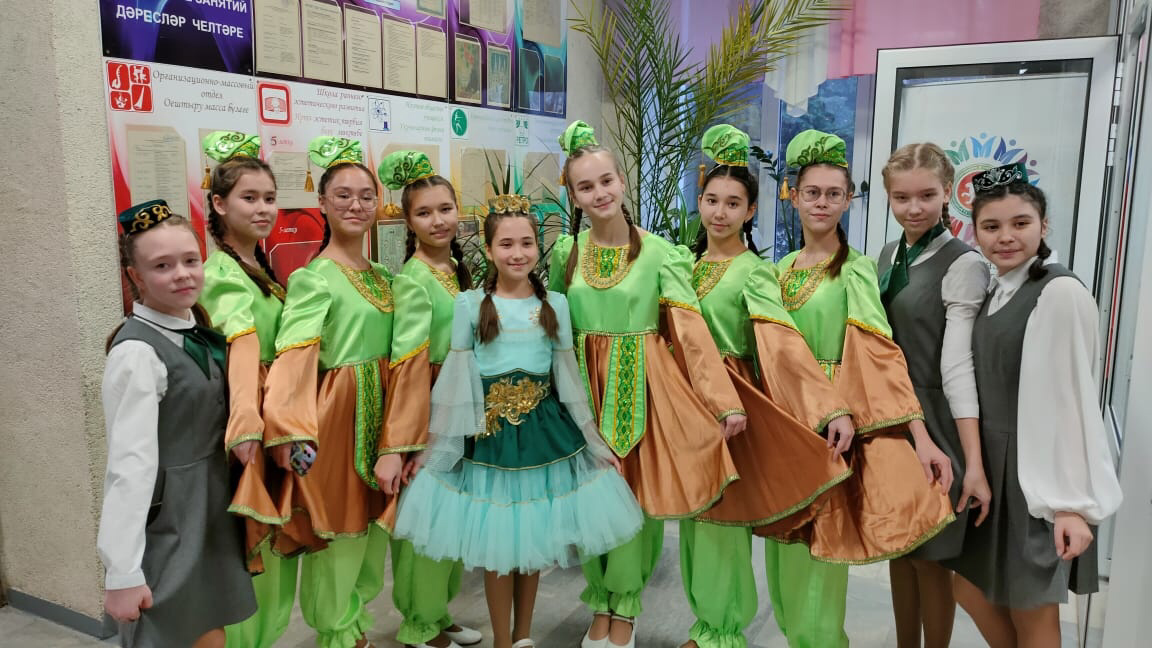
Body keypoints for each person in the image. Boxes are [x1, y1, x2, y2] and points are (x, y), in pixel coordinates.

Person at [393, 199, 644, 648]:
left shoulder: (556, 305)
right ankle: (502, 641)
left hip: (543, 437)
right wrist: (436, 448)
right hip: (490, 441)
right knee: (499, 549)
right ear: (489, 250)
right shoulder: (471, 305)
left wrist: (593, 441)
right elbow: (456, 381)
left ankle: (524, 635)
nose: (517, 253)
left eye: (527, 243)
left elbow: (569, 380)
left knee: (532, 543)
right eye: (506, 244)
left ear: (538, 247)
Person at [549, 120, 745, 648]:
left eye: (606, 180)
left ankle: (625, 606)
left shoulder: (661, 253)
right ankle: (600, 600)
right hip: (583, 389)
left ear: (622, 181)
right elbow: (553, 325)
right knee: (590, 495)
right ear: (573, 195)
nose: (599, 193)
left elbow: (690, 330)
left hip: (645, 388)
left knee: (635, 497)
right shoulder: (566, 252)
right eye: (586, 186)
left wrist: (722, 400)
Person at [761, 129, 955, 648]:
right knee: (784, 555)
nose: (821, 203)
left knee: (823, 556)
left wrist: (919, 435)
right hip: (785, 422)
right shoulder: (777, 271)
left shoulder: (857, 269)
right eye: (812, 192)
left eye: (834, 193)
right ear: (793, 196)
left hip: (833, 427)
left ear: (849, 200)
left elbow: (879, 352)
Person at [680, 124, 856, 648]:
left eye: (734, 203)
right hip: (689, 404)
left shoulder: (756, 272)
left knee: (724, 516)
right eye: (712, 200)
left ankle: (724, 632)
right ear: (699, 201)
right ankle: (705, 626)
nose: (720, 212)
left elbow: (780, 343)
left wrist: (828, 406)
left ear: (752, 210)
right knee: (696, 515)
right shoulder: (686, 266)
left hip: (733, 406)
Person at [948, 164, 1122, 647]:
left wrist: (1069, 506)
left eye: (1020, 223)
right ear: (974, 231)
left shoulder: (1058, 292)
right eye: (991, 226)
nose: (1006, 236)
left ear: (1044, 226)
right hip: (996, 466)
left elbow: (1069, 404)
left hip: (1037, 475)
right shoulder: (1000, 288)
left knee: (1032, 611)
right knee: (971, 588)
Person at [100, 200, 256, 647]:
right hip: (169, 523)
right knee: (165, 633)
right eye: (162, 266)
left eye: (190, 260)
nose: (183, 274)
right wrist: (123, 572)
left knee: (210, 632)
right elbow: (129, 468)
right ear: (135, 276)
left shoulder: (194, 331)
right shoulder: (137, 353)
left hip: (210, 509)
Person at [262, 137, 392, 648]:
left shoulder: (383, 276)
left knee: (372, 531)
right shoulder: (313, 279)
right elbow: (294, 360)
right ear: (322, 202)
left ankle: (354, 625)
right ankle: (336, 632)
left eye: (366, 195)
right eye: (343, 195)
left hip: (382, 417)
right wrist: (289, 430)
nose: (356, 205)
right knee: (339, 528)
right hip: (336, 419)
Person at [876, 142, 992, 648]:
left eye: (926, 195)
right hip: (893, 416)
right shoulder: (888, 254)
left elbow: (960, 365)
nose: (914, 208)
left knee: (932, 557)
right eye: (901, 198)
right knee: (900, 549)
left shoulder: (964, 263)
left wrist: (970, 457)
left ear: (948, 192)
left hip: (939, 417)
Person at [373, 150, 481, 648]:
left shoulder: (455, 268)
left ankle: (437, 612)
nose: (438, 221)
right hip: (432, 411)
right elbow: (409, 365)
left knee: (451, 517)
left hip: (461, 407)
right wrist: (409, 439)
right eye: (424, 212)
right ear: (408, 221)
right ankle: (419, 621)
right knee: (426, 519)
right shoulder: (413, 280)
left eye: (445, 209)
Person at [197, 131, 300, 648]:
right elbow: (240, 350)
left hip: (275, 408)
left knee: (275, 542)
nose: (263, 209)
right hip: (250, 414)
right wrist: (247, 426)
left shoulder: (259, 265)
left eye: (269, 198)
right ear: (219, 204)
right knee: (251, 544)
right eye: (249, 198)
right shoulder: (220, 272)